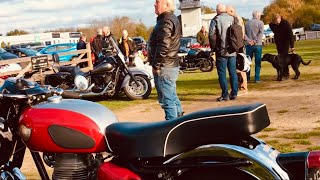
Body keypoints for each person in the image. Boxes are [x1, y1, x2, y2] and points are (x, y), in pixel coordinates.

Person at [149, 0, 183, 120]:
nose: (154, 4)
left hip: (164, 66)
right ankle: (180, 123)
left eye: (157, 2)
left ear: (167, 5)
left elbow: (164, 45)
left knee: (167, 100)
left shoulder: (166, 21)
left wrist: (156, 65)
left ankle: (172, 127)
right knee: (172, 97)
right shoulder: (170, 19)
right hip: (170, 65)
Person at [209, 3, 238, 101]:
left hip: (221, 50)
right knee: (233, 72)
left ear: (217, 11)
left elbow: (211, 35)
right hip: (233, 50)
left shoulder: (215, 20)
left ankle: (225, 94)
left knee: (222, 73)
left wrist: (213, 48)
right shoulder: (233, 18)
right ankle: (234, 93)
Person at [226, 5, 248, 94]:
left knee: (239, 67)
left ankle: (242, 86)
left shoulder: (235, 19)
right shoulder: (239, 19)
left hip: (237, 46)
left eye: (226, 12)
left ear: (231, 12)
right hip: (240, 45)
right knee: (240, 66)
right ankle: (242, 86)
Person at [269, 13, 295, 79]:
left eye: (276, 21)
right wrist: (275, 23)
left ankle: (286, 73)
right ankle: (282, 73)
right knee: (279, 58)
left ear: (280, 18)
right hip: (278, 43)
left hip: (285, 43)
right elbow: (274, 28)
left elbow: (290, 35)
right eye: (274, 21)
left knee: (284, 58)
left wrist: (292, 46)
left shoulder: (286, 24)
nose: (276, 23)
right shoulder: (272, 25)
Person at [244, 10, 264, 83]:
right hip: (257, 44)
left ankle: (247, 77)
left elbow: (244, 33)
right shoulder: (261, 22)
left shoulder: (247, 23)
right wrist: (254, 41)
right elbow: (260, 33)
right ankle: (257, 78)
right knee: (257, 62)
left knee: (248, 62)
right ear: (258, 16)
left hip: (248, 45)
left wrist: (249, 41)